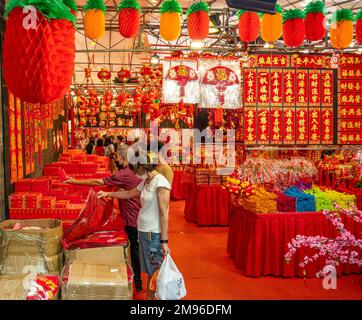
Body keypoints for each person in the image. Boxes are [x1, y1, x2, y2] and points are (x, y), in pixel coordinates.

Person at [65, 149, 143, 292]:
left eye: (118, 157)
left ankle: (136, 282)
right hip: (139, 212)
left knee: (133, 249)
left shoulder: (124, 173)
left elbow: (97, 181)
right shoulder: (138, 171)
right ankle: (137, 280)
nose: (116, 160)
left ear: (125, 158)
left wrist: (74, 181)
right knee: (136, 247)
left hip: (131, 217)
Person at [98, 151, 171, 300]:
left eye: (136, 171)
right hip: (143, 233)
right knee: (150, 273)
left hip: (153, 235)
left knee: (155, 273)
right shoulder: (146, 182)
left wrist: (164, 241)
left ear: (142, 168)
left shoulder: (160, 182)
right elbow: (129, 194)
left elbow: (164, 214)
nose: (136, 175)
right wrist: (107, 194)